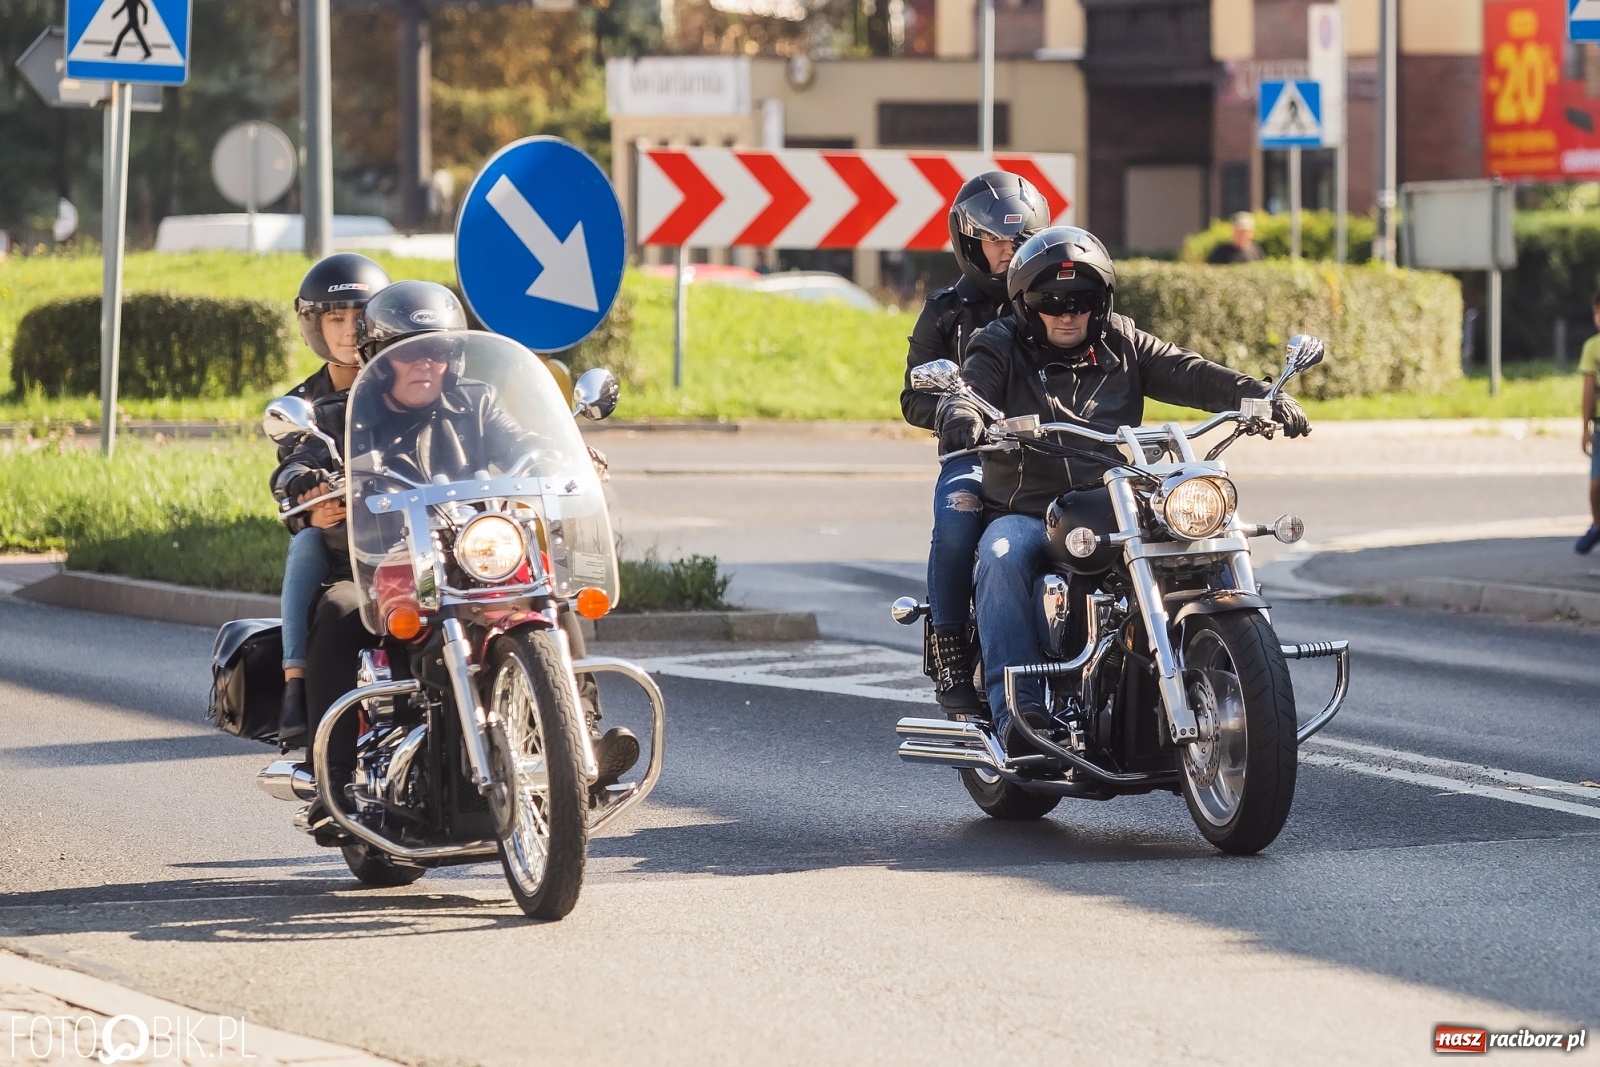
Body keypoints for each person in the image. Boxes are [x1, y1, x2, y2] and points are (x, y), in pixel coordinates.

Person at [937, 226, 1310, 752]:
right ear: (1025, 304)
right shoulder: (998, 342)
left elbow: (1192, 372)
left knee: (1201, 537)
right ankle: (1019, 718)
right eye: (1052, 301)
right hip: (1029, 509)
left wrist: (1260, 395)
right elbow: (974, 382)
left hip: (1117, 502)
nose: (1068, 313)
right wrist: (960, 409)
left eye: (1083, 301)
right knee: (1000, 555)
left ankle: (1240, 675)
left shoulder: (1122, 339)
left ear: (1102, 302)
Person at [277, 294, 637, 815]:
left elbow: (524, 443)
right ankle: (329, 778)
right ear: (376, 357)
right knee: (337, 611)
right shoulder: (340, 415)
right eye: (409, 354)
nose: (426, 365)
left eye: (438, 353)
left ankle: (582, 735)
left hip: (465, 553)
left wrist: (568, 457)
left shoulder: (475, 403)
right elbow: (298, 465)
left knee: (546, 592)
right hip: (380, 563)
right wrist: (301, 479)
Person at [900, 171, 1050, 712]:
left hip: (1051, 452)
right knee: (960, 513)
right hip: (975, 454)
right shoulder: (946, 310)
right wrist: (953, 416)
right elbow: (911, 396)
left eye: (1017, 240)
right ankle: (949, 648)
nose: (1007, 251)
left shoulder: (1052, 301)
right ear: (970, 244)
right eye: (995, 241)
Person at [276, 253, 392, 747]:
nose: (349, 331)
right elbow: (293, 462)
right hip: (353, 547)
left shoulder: (409, 382)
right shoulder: (307, 406)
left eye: (359, 317)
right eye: (335, 318)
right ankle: (298, 692)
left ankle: (575, 721)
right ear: (314, 325)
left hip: (429, 539)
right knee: (310, 552)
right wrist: (306, 491)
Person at [1576, 288, 1600, 554]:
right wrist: (1585, 428)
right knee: (1596, 485)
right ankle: (1597, 525)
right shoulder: (1592, 348)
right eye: (1597, 311)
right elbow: (1588, 390)